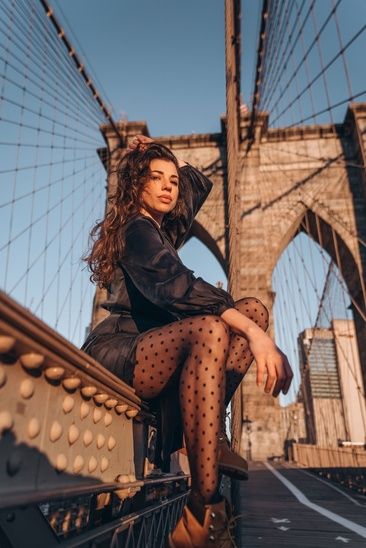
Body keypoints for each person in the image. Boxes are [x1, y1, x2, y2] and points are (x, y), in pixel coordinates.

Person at [82, 135, 293, 547]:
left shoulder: (162, 230)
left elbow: (192, 188)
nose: (167, 186)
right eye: (155, 178)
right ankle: (203, 508)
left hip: (154, 348)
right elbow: (177, 286)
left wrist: (156, 150)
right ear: (134, 185)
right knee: (217, 327)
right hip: (120, 349)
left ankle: (207, 434)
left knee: (254, 309)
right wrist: (255, 337)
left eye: (172, 181)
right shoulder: (136, 230)